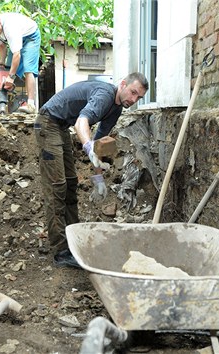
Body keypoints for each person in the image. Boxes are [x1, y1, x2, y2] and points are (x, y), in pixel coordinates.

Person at [34, 72, 149, 268]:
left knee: (70, 184)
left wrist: (98, 178)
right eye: (132, 92)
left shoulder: (116, 109)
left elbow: (98, 145)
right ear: (122, 84)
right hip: (48, 122)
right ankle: (61, 252)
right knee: (57, 187)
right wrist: (87, 146)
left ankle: (73, 240)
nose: (133, 100)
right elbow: (81, 123)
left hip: (60, 128)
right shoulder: (104, 95)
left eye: (138, 97)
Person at [0, 13, 40, 114]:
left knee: (28, 69)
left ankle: (31, 105)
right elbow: (2, 45)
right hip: (18, 38)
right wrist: (2, 61)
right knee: (6, 69)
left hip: (31, 37)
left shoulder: (10, 27)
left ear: (0, 22)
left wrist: (11, 77)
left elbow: (17, 55)